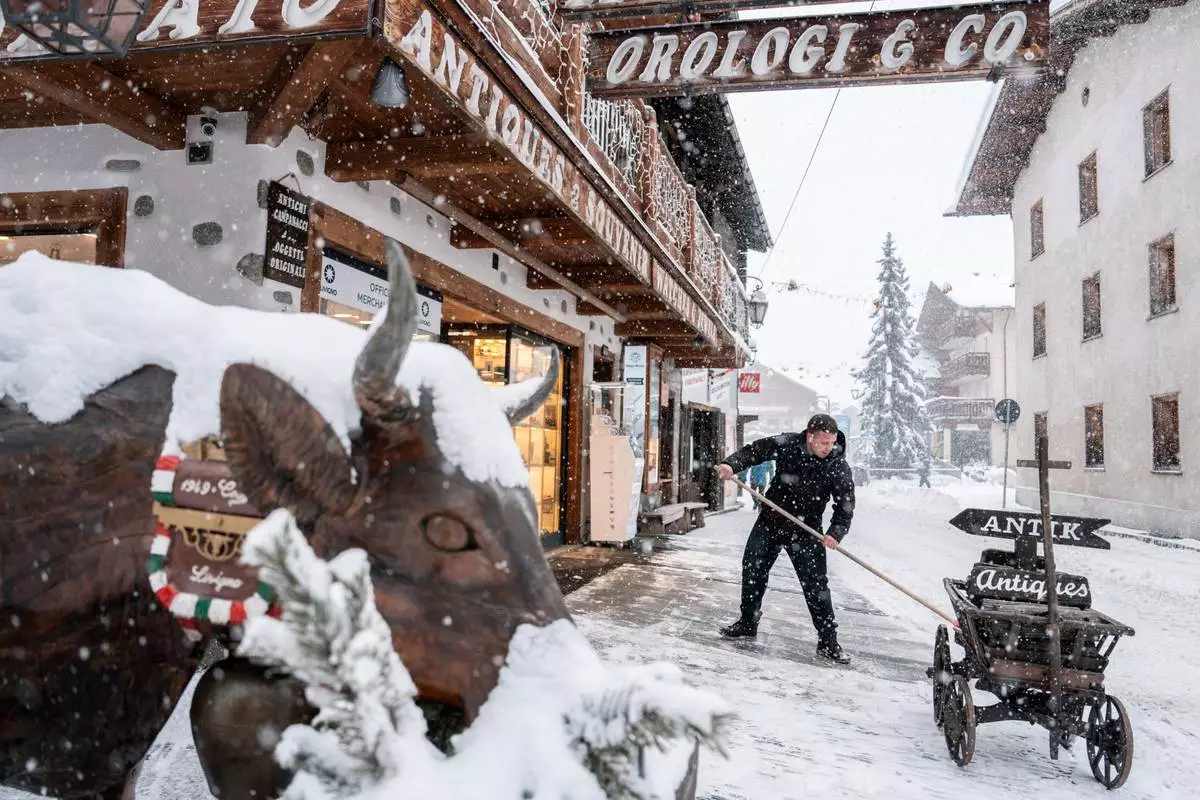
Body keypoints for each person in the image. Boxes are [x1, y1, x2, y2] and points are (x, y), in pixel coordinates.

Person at [713, 414, 856, 664]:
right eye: (823, 442)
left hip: (807, 529)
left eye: (832, 442)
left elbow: (845, 504)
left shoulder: (836, 464)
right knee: (753, 569)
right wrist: (731, 465)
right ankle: (748, 622)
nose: (828, 448)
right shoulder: (788, 444)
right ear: (810, 436)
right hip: (772, 520)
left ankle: (828, 641)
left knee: (816, 586)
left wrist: (835, 533)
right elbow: (755, 451)